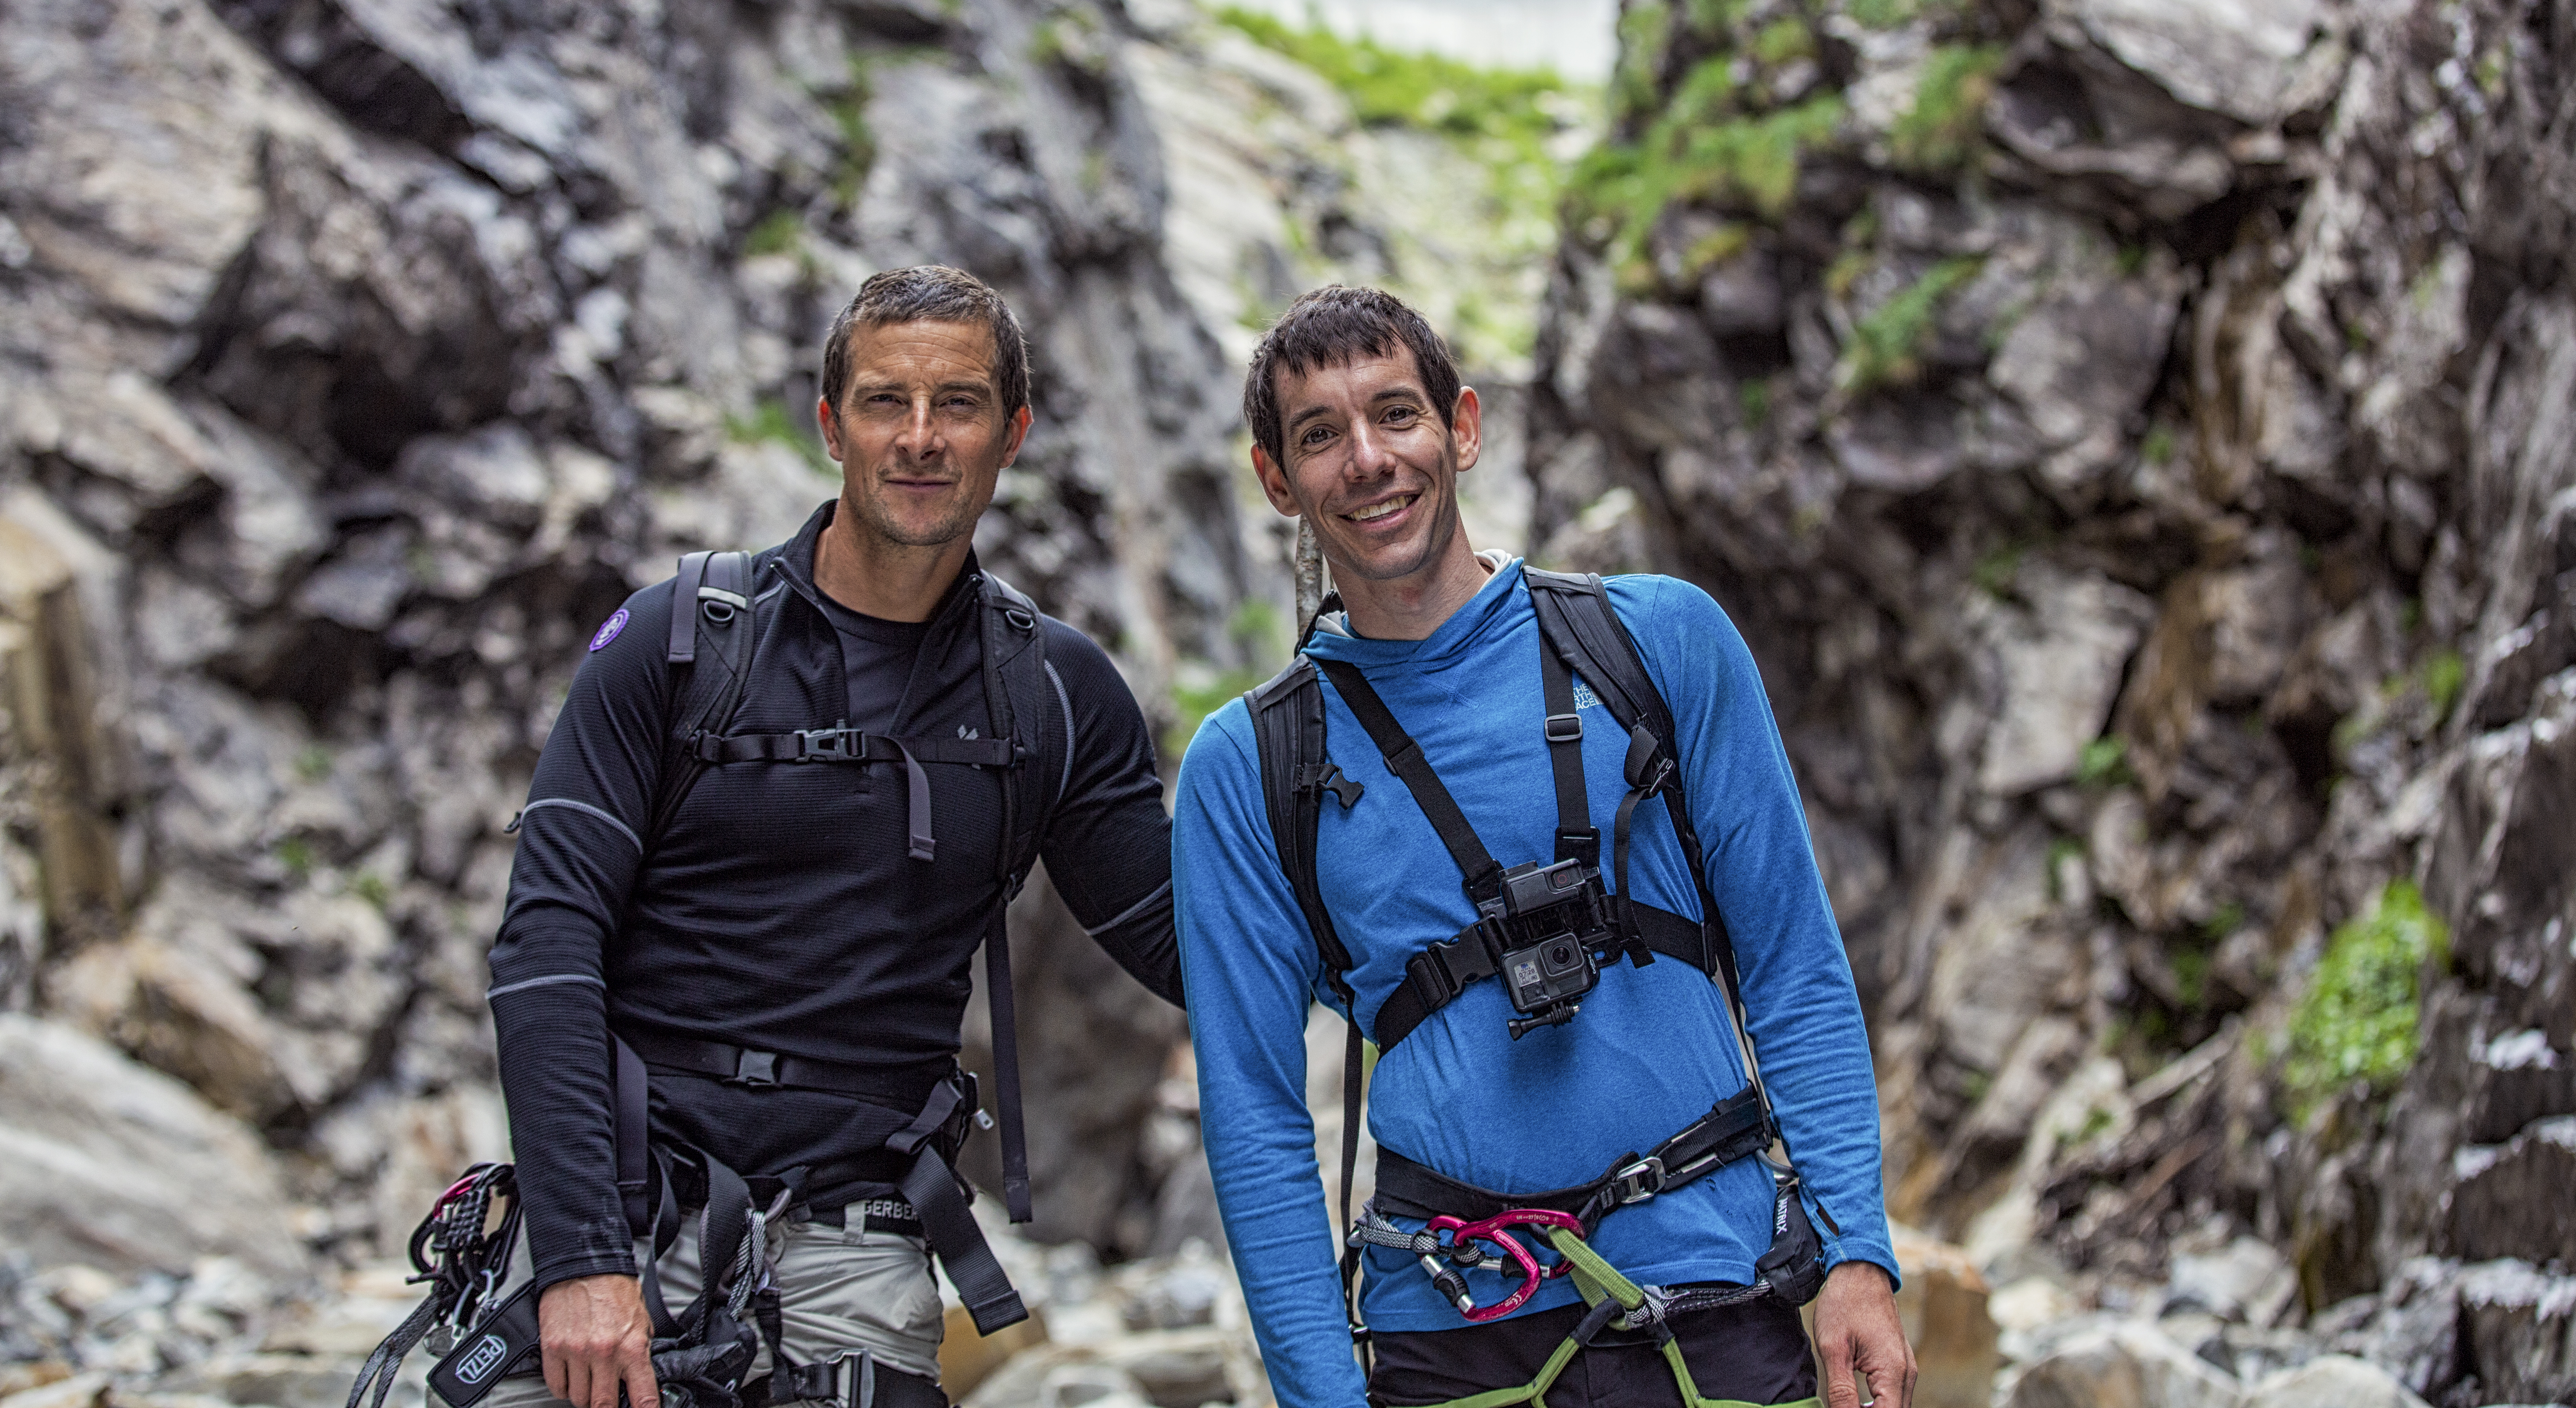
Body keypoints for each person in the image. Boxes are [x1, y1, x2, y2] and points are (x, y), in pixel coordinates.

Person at [1172, 287, 1913, 1408]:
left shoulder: (1660, 643)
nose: (1368, 459)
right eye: (1320, 435)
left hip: (1716, 1298)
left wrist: (1856, 1252)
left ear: (1462, 428)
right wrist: (1322, 1397)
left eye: (1397, 415)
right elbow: (1257, 1113)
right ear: (1278, 480)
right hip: (1453, 1331)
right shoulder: (1250, 765)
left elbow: (1793, 965)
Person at [482, 266, 1182, 1408]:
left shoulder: (1053, 692)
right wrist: (580, 1261)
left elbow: (1186, 947)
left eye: (957, 404)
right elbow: (545, 946)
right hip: (627, 1204)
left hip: (859, 1237)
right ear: (829, 425)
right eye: (882, 402)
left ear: (1013, 435)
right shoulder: (675, 643)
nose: (919, 438)